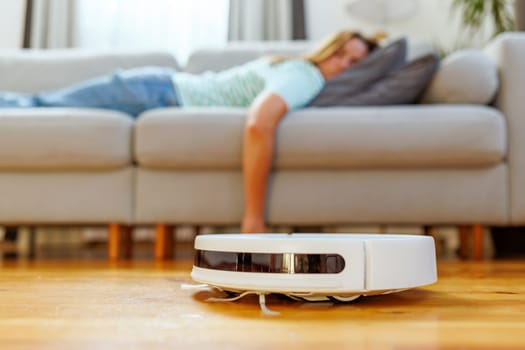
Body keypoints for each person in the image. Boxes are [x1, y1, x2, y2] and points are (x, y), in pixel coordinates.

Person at [0, 30, 378, 233]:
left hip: (156, 89)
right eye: (340, 53)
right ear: (326, 50)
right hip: (156, 92)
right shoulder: (305, 75)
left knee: (37, 103)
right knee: (36, 105)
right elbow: (259, 123)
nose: (343, 65)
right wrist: (253, 217)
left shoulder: (301, 73)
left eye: (355, 61)